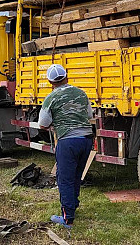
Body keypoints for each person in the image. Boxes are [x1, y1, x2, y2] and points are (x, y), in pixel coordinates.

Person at [38, 64, 94, 228]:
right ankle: (73, 206)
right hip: (86, 140)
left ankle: (67, 218)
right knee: (76, 176)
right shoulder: (81, 93)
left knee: (65, 179)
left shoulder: (51, 98)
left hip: (67, 141)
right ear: (67, 77)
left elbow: (43, 123)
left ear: (50, 82)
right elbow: (89, 115)